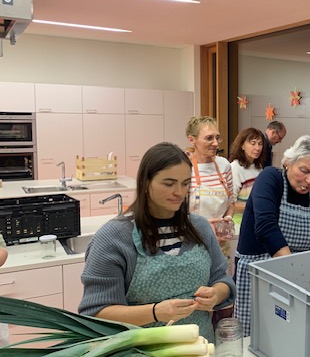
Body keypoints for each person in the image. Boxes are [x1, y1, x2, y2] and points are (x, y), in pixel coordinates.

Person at [79, 142, 236, 343]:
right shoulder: (113, 238)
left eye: (185, 183)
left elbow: (222, 279)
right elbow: (96, 313)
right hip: (141, 355)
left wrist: (216, 294)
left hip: (201, 349)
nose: (179, 192)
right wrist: (155, 312)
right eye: (169, 184)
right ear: (145, 183)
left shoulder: (200, 227)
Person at [235, 135, 310, 336]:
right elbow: (266, 227)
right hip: (259, 276)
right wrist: (292, 273)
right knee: (255, 338)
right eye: (304, 171)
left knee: (289, 338)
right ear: (288, 162)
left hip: (297, 282)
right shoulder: (270, 179)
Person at [185, 116, 235, 274]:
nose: (215, 143)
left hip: (221, 243)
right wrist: (203, 226)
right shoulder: (184, 168)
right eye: (209, 138)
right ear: (192, 140)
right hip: (193, 241)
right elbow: (175, 212)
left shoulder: (224, 165)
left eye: (217, 137)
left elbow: (231, 202)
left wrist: (227, 220)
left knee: (222, 283)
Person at [229, 127, 266, 224]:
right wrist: (256, 206)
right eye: (253, 143)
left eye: (260, 144)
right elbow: (230, 204)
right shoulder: (235, 168)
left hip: (255, 220)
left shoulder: (258, 167)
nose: (257, 148)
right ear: (242, 145)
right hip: (239, 223)